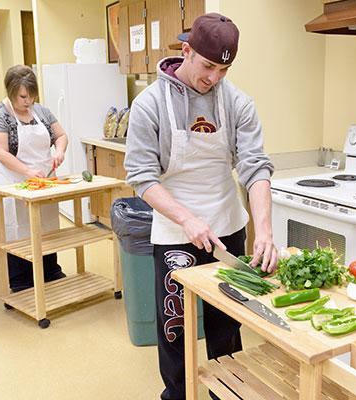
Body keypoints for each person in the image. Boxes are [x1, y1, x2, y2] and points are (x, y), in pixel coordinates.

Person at [124, 12, 277, 400]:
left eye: (224, 69)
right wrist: (187, 219)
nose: (215, 78)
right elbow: (142, 176)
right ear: (186, 50)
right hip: (176, 229)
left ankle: (226, 394)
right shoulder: (149, 104)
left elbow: (254, 167)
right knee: (175, 324)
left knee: (226, 322)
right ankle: (176, 394)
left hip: (227, 226)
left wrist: (266, 231)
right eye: (208, 66)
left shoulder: (238, 102)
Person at [0, 65, 68, 292]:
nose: (28, 101)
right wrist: (26, 171)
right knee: (16, 227)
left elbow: (60, 135)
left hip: (42, 180)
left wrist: (59, 151)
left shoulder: (41, 112)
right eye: (23, 96)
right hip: (11, 180)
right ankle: (19, 279)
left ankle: (50, 270)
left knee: (46, 223)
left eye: (32, 95)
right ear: (11, 91)